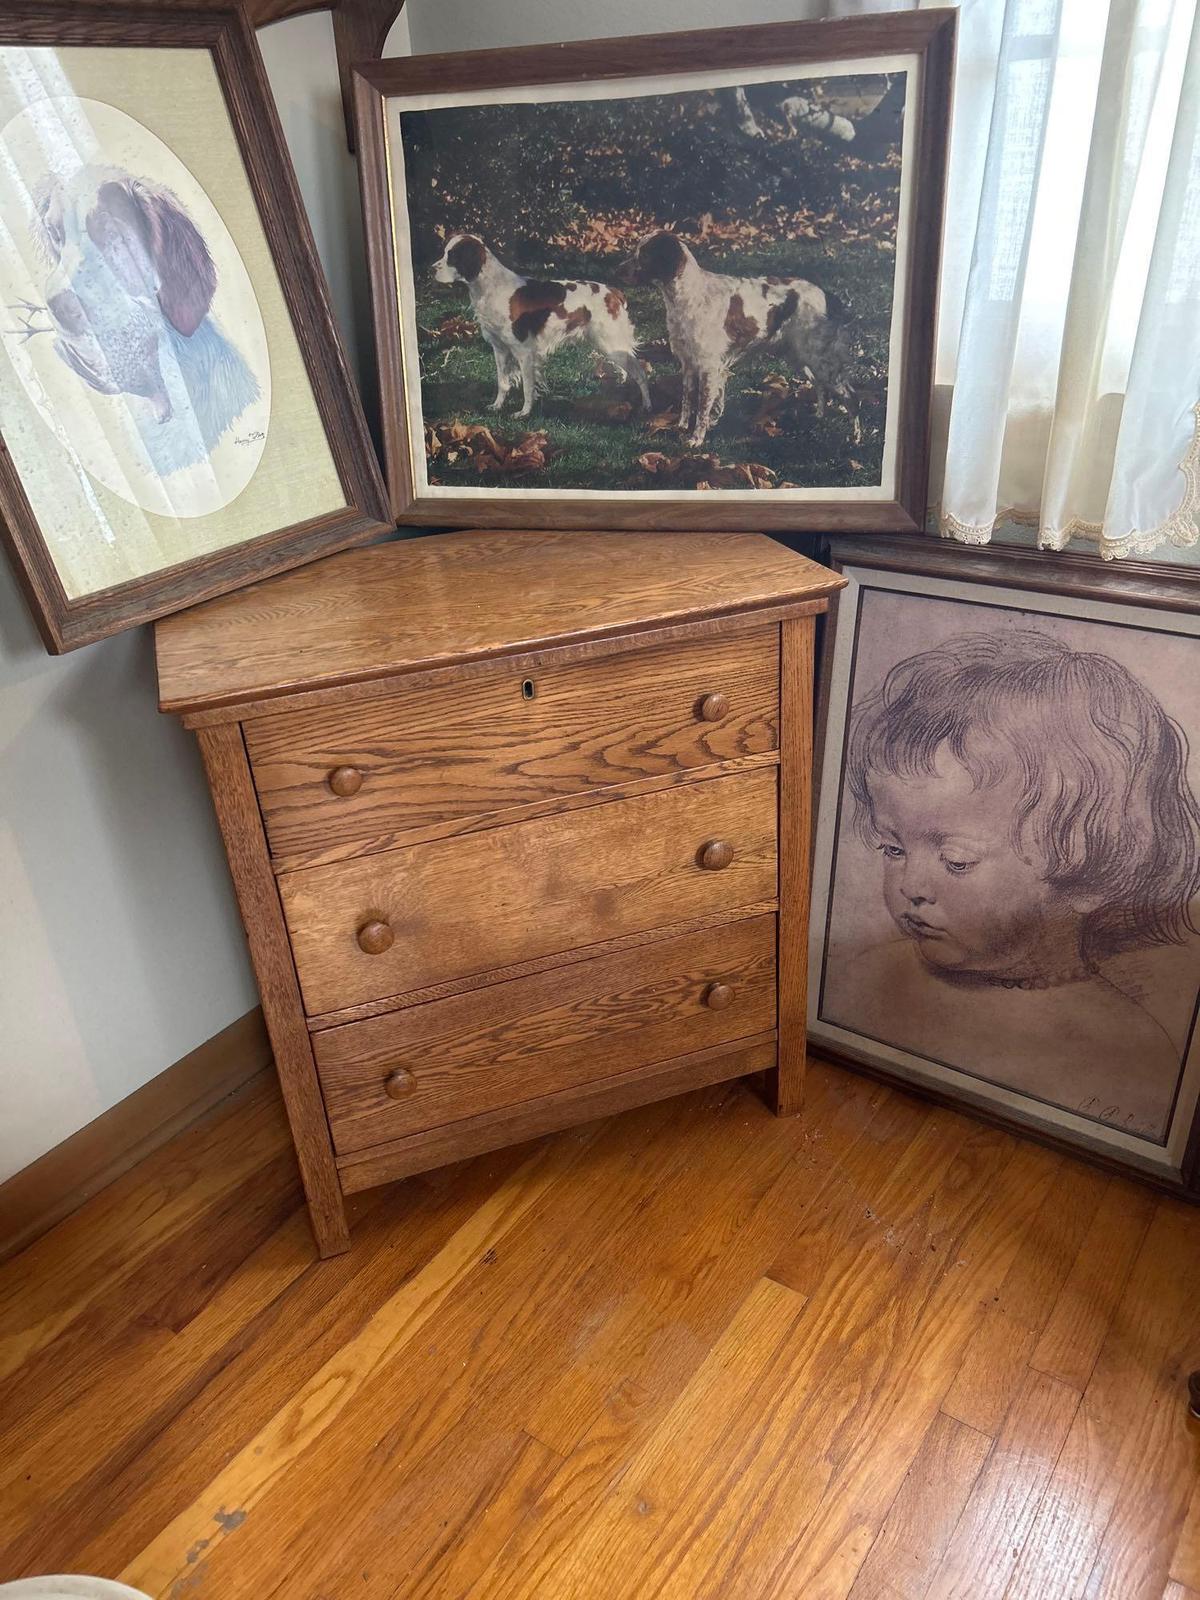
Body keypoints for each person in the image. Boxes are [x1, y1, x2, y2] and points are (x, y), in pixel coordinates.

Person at [830, 628, 1200, 1138]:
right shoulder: (867, 976)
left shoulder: (1119, 1046)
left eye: (956, 861)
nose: (911, 884)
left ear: (1085, 870)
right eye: (893, 849)